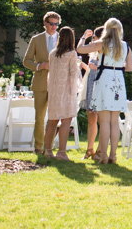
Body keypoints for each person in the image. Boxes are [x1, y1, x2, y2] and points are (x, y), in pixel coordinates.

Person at [77, 17, 132, 164]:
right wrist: (117, 65)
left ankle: (103, 156)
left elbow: (80, 49)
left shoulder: (102, 43)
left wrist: (83, 38)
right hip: (118, 82)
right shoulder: (125, 46)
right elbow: (130, 68)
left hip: (104, 81)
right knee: (114, 122)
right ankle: (113, 156)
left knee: (104, 121)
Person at [23, 11, 61, 153]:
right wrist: (39, 66)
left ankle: (49, 147)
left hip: (57, 82)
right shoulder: (36, 39)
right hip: (40, 82)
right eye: (51, 24)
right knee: (39, 118)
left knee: (54, 117)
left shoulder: (62, 39)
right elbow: (26, 61)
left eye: (56, 24)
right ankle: (38, 147)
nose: (53, 27)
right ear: (45, 24)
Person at [44, 27, 80, 161]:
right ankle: (61, 152)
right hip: (66, 91)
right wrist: (74, 90)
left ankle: (47, 150)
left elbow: (50, 73)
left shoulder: (53, 53)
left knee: (52, 121)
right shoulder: (71, 53)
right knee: (66, 121)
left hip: (53, 91)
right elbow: (73, 73)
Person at [78, 26, 104, 159]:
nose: (92, 39)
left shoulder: (105, 51)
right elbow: (90, 69)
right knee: (91, 119)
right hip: (90, 87)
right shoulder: (94, 53)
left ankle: (100, 150)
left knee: (101, 120)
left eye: (94, 37)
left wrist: (83, 38)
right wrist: (82, 65)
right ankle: (89, 149)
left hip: (99, 88)